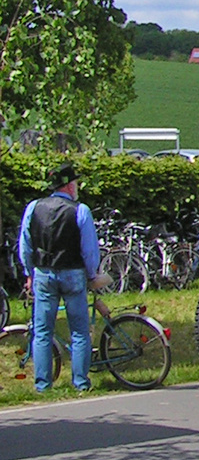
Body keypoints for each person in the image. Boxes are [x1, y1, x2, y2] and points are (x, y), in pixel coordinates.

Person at [18, 163, 106, 392]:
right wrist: (92, 274)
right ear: (68, 186)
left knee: (42, 331)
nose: (77, 187)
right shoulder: (80, 210)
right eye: (75, 183)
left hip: (44, 273)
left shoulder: (33, 208)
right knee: (79, 330)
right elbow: (89, 250)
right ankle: (80, 382)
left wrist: (29, 272)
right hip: (73, 273)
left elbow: (25, 246)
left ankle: (42, 384)